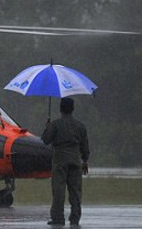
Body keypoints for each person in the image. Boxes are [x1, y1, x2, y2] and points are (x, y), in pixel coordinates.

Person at [41, 97, 90, 226]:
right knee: (75, 192)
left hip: (60, 161)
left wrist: (47, 127)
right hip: (75, 160)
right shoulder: (80, 126)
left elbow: (45, 140)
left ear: (60, 109)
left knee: (58, 191)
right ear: (72, 109)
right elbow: (85, 148)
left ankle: (58, 218)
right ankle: (75, 218)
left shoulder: (55, 125)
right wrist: (84, 161)